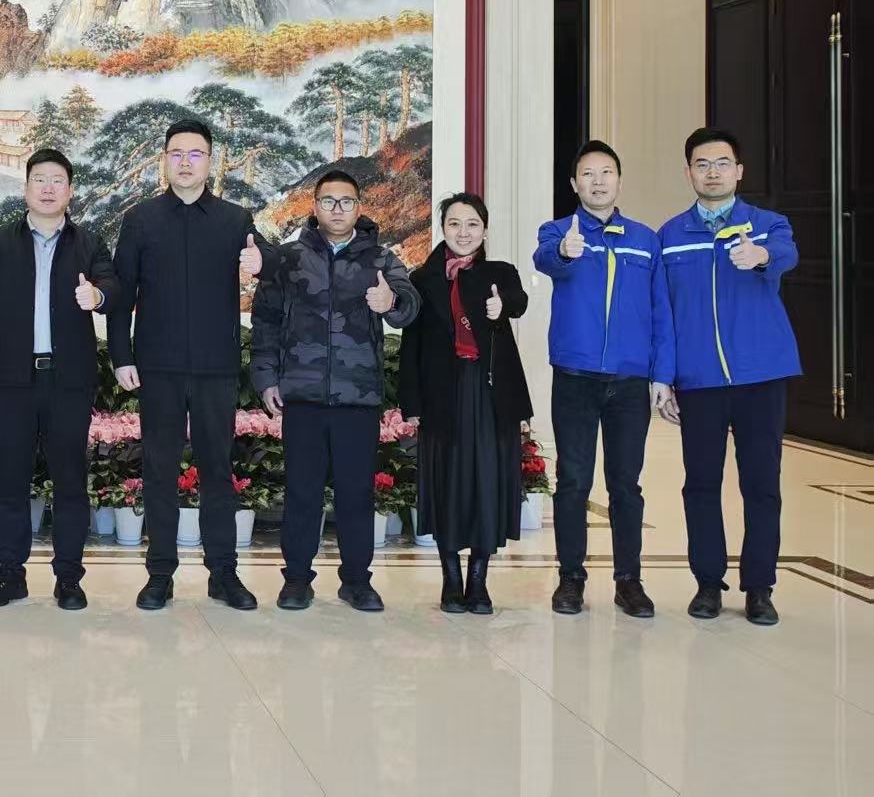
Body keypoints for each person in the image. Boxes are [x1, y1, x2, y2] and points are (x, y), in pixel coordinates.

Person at [105, 117, 275, 612]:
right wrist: (121, 356)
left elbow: (268, 260)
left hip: (215, 368)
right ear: (164, 160)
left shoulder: (234, 219)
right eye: (176, 153)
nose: (185, 162)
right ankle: (160, 574)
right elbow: (121, 295)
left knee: (217, 470)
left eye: (195, 153)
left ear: (210, 161)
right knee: (158, 470)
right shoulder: (140, 219)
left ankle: (224, 574)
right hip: (156, 367)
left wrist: (262, 263)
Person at [251, 169, 419, 613]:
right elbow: (265, 320)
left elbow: (410, 305)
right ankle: (296, 580)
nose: (338, 209)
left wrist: (391, 303)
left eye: (346, 201)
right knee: (302, 492)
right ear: (315, 207)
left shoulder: (381, 259)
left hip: (356, 398)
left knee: (356, 494)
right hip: (302, 397)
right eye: (329, 201)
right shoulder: (288, 259)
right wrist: (266, 378)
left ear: (359, 207)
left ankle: (357, 581)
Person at [657, 127, 800, 626]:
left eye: (721, 163)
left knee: (761, 483)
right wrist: (663, 377)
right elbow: (663, 314)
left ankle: (760, 587)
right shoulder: (670, 236)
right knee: (700, 483)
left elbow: (786, 253)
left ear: (739, 170)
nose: (712, 172)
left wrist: (761, 257)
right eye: (702, 164)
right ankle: (707, 582)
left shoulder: (767, 225)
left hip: (761, 375)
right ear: (689, 173)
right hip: (699, 379)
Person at [0, 148, 120, 610]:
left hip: (68, 380)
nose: (48, 188)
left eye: (58, 180)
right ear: (26, 188)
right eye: (40, 179)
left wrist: (97, 296)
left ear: (70, 190)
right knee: (10, 480)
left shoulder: (89, 242)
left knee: (70, 480)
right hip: (12, 380)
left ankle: (69, 578)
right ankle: (9, 575)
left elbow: (113, 287)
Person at [533, 140, 672, 618]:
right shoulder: (558, 231)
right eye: (588, 174)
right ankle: (570, 577)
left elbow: (661, 311)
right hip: (575, 378)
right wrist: (565, 252)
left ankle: (629, 580)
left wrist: (662, 375)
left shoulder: (645, 239)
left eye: (606, 172)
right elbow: (544, 259)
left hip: (630, 382)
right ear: (574, 184)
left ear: (619, 180)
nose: (598, 181)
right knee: (573, 480)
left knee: (625, 484)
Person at [399, 193, 532, 615]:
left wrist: (500, 306)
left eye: (472, 224)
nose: (463, 232)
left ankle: (478, 579)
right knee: (447, 482)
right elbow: (412, 345)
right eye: (454, 224)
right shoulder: (423, 279)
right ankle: (450, 578)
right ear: (443, 229)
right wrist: (411, 402)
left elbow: (518, 300)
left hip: (492, 394)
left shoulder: (499, 273)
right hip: (443, 392)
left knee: (487, 482)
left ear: (485, 230)